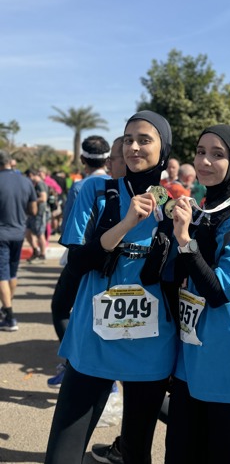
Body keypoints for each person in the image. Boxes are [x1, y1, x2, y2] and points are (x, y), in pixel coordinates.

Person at [44, 111, 177, 464]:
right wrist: (126, 223)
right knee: (62, 455)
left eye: (144, 140)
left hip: (152, 345)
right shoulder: (95, 191)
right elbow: (76, 262)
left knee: (135, 454)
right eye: (128, 139)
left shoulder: (172, 205)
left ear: (163, 149)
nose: (134, 147)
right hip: (93, 340)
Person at [164, 124, 230, 464]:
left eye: (217, 154)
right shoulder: (195, 211)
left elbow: (222, 290)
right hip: (190, 358)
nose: (205, 161)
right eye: (200, 152)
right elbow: (169, 276)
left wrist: (185, 242)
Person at [47, 135, 112, 387]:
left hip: (82, 259)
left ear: (83, 159)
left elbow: (70, 231)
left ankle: (71, 364)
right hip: (109, 261)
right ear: (107, 159)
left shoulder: (80, 186)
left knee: (60, 308)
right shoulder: (116, 182)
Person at [0, 150, 37, 331]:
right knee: (12, 273)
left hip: (1, 234)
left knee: (2, 275)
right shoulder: (25, 181)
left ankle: (9, 316)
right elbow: (34, 210)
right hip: (18, 232)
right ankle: (6, 309)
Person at [24, 168, 49, 263]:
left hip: (39, 212)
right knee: (28, 232)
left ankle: (42, 254)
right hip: (33, 213)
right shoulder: (36, 184)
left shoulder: (40, 184)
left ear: (31, 175)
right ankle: (35, 250)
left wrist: (32, 201)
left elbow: (43, 198)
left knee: (39, 233)